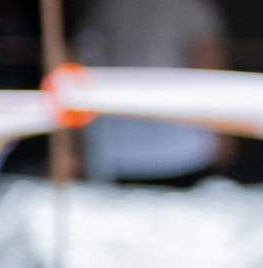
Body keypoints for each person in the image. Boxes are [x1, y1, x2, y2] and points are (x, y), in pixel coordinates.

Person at [73, 0, 233, 187]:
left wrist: (77, 144)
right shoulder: (190, 6)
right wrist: (223, 134)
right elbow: (207, 68)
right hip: (181, 149)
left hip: (117, 150)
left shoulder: (104, 6)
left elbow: (81, 65)